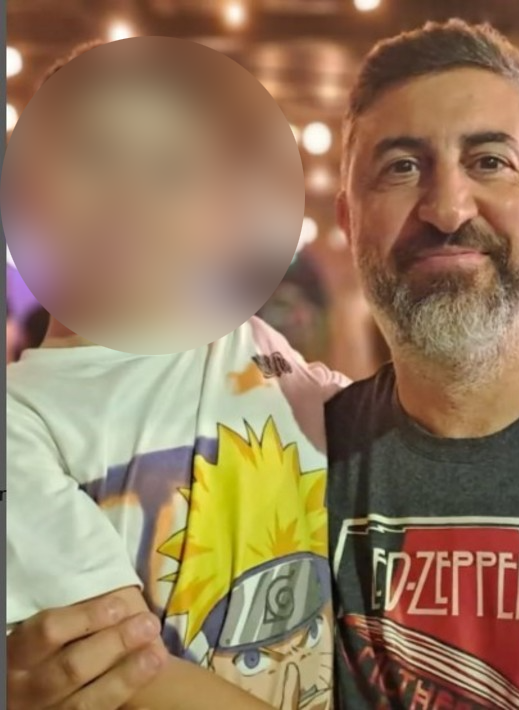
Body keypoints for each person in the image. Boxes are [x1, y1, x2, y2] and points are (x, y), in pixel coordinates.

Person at [10, 19, 519, 710]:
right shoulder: (333, 431)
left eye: (490, 161)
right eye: (401, 167)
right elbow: (104, 668)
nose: (448, 208)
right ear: (349, 224)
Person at [6, 39, 346, 710]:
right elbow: (127, 674)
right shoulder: (20, 419)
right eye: (92, 155)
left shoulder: (252, 345)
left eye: (169, 167)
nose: (129, 194)